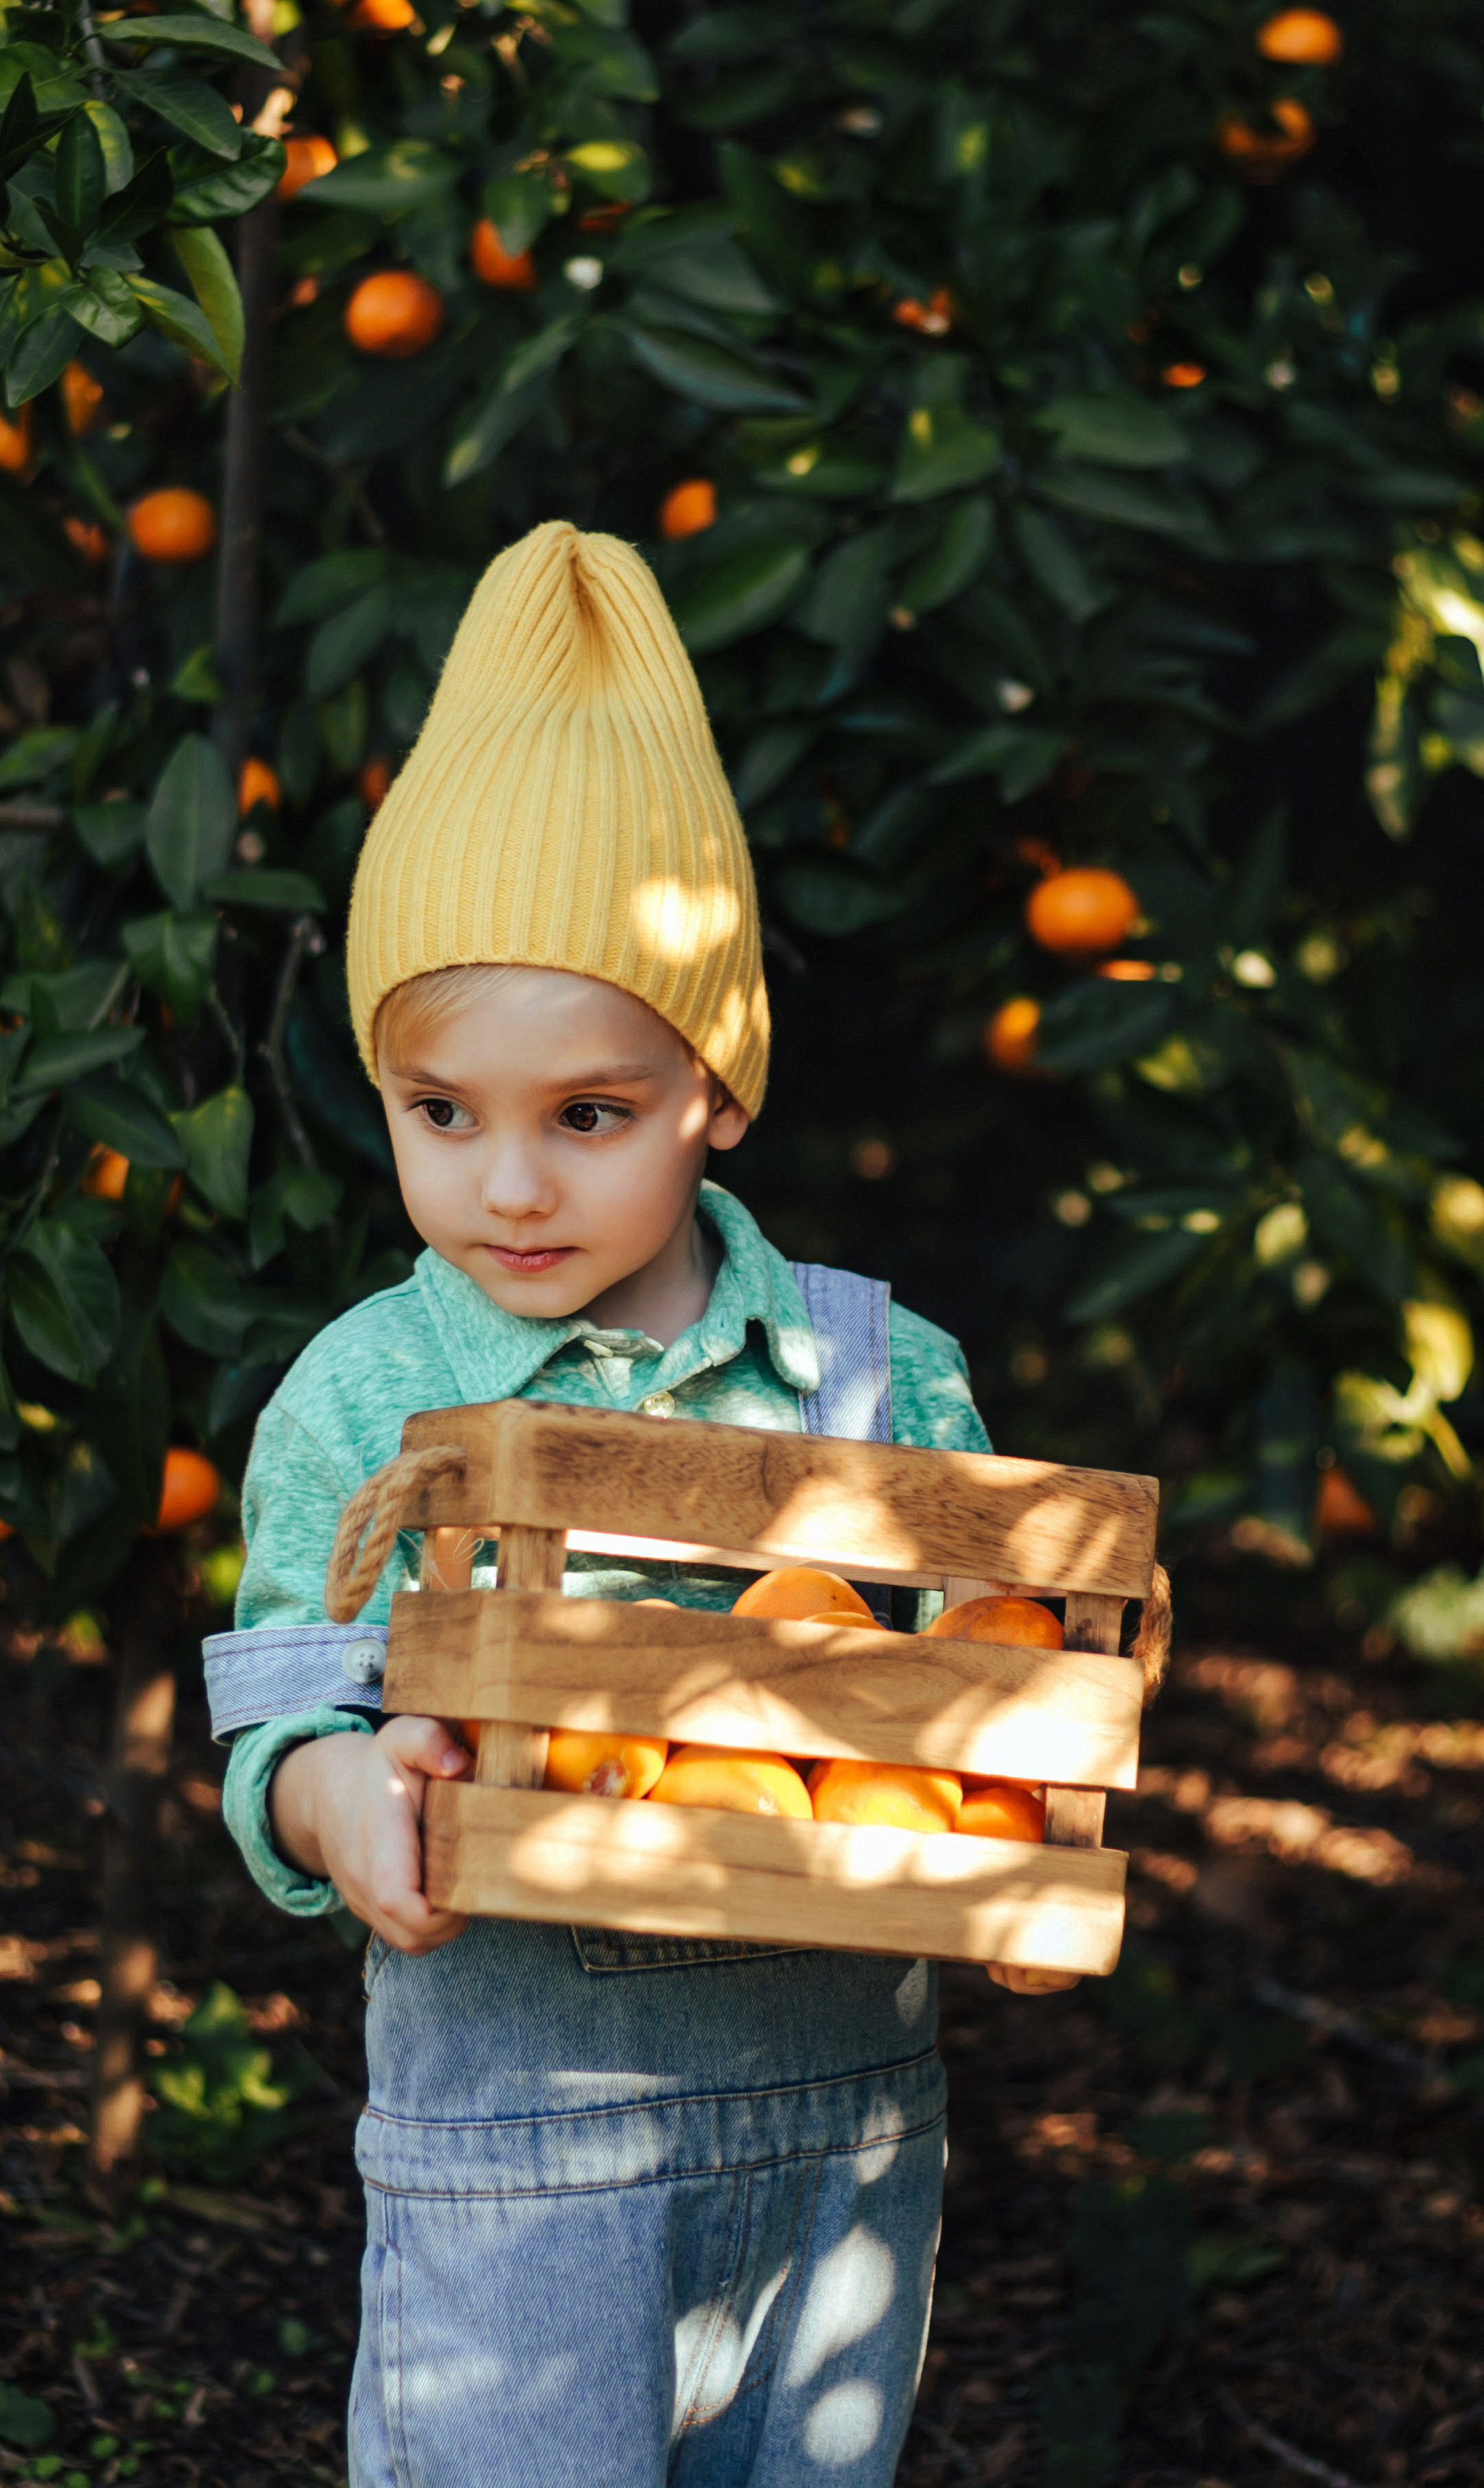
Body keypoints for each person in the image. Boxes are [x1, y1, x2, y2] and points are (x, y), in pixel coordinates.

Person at [207, 520, 1073, 2487]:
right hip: (523, 2150)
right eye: (446, 1115)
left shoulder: (874, 1377)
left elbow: (983, 1696)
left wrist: (1029, 1837)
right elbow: (284, 1695)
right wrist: (341, 1797)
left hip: (848, 2136)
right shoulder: (372, 1396)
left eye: (587, 1117)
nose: (511, 1187)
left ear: (719, 1094)